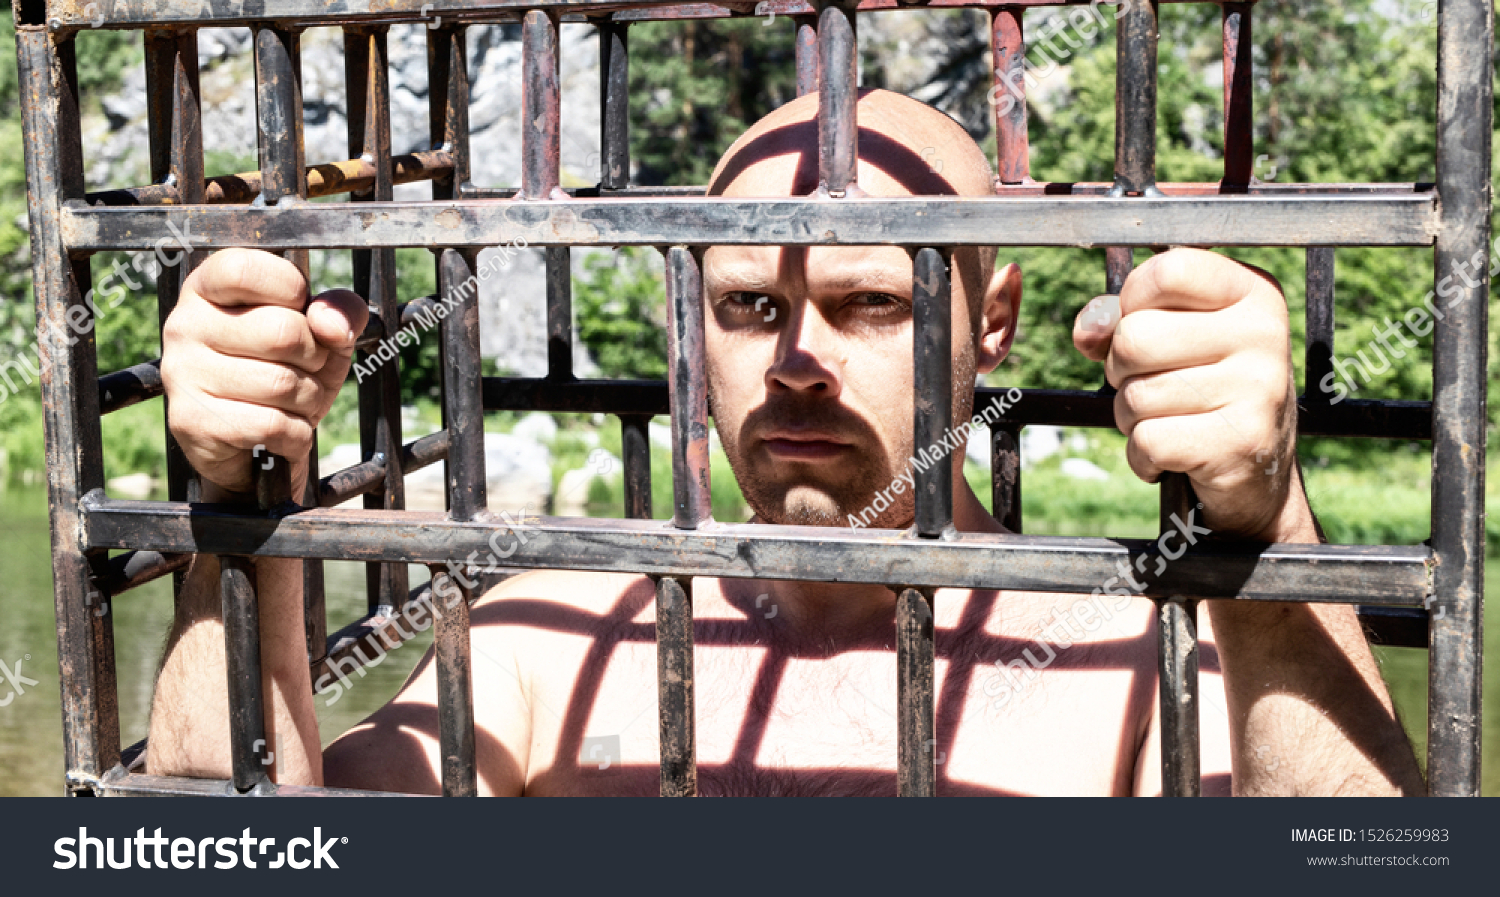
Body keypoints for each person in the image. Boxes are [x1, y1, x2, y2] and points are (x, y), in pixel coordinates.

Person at [146, 89, 1424, 796]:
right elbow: (231, 846)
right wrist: (244, 506)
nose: (798, 359)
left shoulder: (1141, 669)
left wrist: (1265, 530)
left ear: (991, 327)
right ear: (693, 326)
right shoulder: (553, 641)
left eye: (869, 303)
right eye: (751, 307)